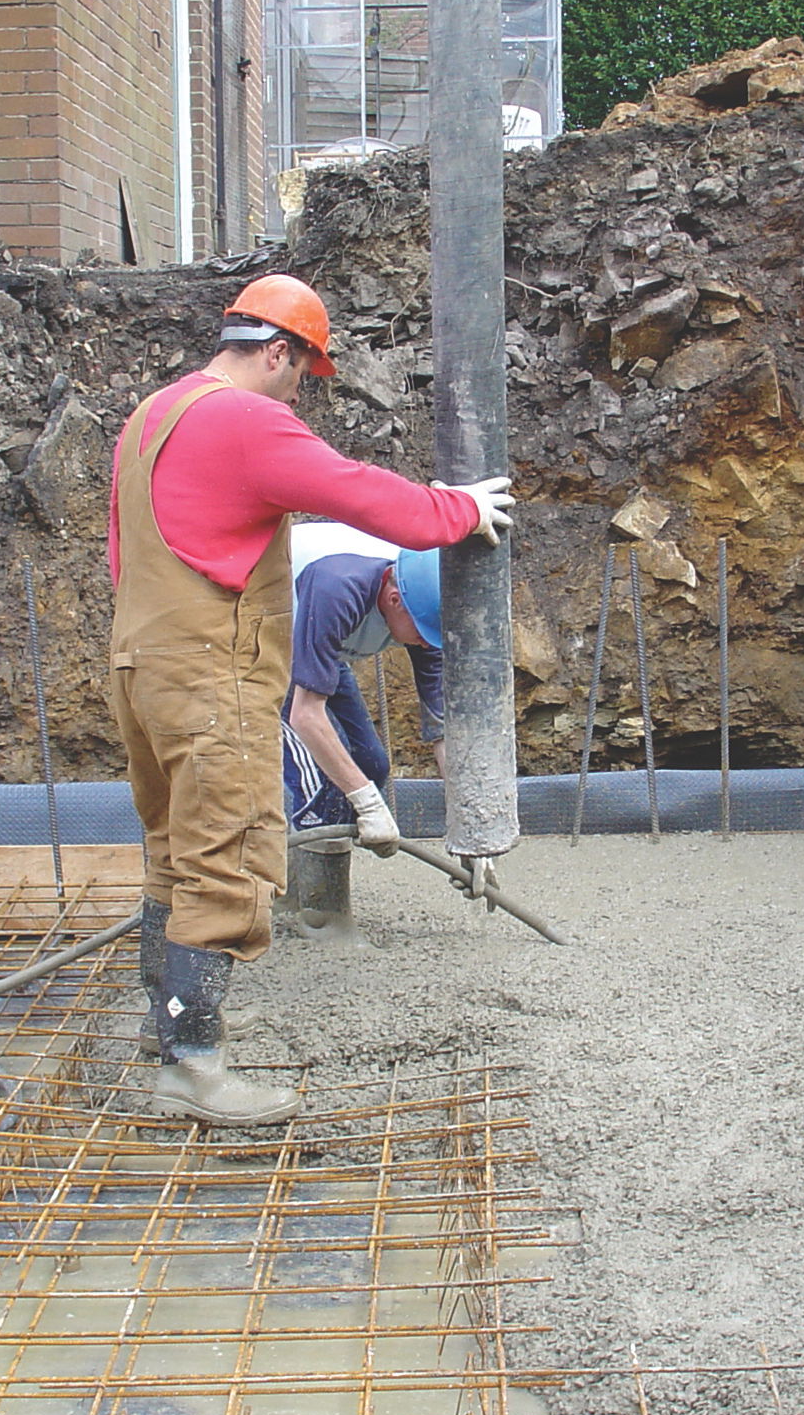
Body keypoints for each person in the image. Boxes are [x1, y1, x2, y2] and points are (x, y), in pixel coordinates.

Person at [106, 273, 513, 1127]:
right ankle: (193, 1068)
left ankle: (166, 1026)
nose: (301, 396)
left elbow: (124, 550)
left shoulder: (154, 415)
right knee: (223, 851)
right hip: (211, 670)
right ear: (279, 352)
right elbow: (356, 489)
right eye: (302, 376)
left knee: (172, 847)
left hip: (142, 662)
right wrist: (459, 510)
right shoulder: (244, 417)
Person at [281, 521, 446, 856]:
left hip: (319, 648)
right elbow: (305, 715)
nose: (427, 647)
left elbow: (445, 731)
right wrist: (368, 805)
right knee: (320, 783)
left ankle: (321, 874)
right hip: (260, 646)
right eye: (422, 634)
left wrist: (466, 827)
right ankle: (310, 901)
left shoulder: (426, 607)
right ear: (395, 599)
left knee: (371, 765)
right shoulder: (338, 587)